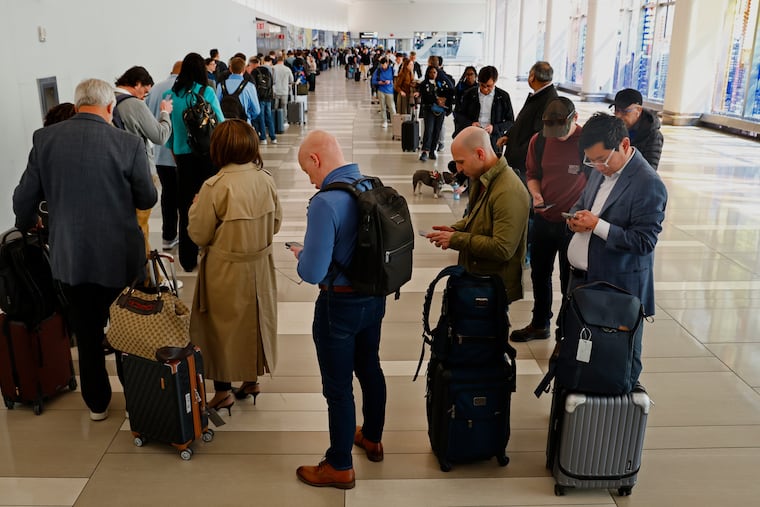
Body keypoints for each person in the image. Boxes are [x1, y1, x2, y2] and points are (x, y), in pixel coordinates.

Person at [13, 78, 157, 421]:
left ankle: (97, 404)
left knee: (88, 334)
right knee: (128, 332)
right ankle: (137, 401)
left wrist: (30, 222)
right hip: (120, 259)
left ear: (77, 105)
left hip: (71, 259)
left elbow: (22, 202)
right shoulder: (128, 143)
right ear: (110, 107)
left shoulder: (45, 140)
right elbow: (147, 198)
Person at [290, 130, 387, 490]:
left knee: (338, 387)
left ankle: (339, 465)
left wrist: (302, 257)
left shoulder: (325, 202)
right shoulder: (370, 185)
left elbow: (313, 272)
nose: (312, 180)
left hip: (339, 306)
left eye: (308, 172)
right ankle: (373, 438)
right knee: (370, 368)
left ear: (316, 159)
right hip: (373, 299)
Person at [565, 112, 667, 383]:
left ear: (624, 144)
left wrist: (598, 225)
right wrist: (575, 219)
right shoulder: (601, 171)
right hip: (583, 281)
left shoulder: (648, 184)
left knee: (615, 361)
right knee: (581, 352)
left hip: (615, 289)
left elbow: (644, 242)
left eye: (602, 159)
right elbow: (583, 201)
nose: (597, 166)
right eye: (591, 160)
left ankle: (616, 412)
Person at [188, 120, 281, 415]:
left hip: (225, 270)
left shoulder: (214, 187)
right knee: (255, 321)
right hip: (260, 267)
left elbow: (199, 234)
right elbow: (275, 224)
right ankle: (252, 381)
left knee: (220, 329)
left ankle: (223, 391)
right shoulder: (265, 179)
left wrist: (195, 206)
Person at [509, 97, 588, 343]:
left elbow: (597, 182)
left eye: (561, 131)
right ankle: (540, 323)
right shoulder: (540, 140)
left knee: (568, 280)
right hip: (544, 218)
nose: (557, 136)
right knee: (539, 274)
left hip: (572, 225)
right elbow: (533, 174)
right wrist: (536, 194)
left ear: (574, 118)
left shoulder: (587, 142)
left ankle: (564, 335)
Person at [426, 126, 530, 303]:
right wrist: (454, 230)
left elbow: (503, 248)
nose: (458, 169)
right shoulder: (482, 178)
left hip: (493, 288)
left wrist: (456, 239)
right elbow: (477, 216)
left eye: (461, 162)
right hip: (478, 278)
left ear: (480, 154)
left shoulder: (508, 192)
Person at [167, 52, 225, 272]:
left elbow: (170, 133)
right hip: (207, 156)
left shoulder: (171, 95)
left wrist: (176, 152)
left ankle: (188, 259)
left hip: (182, 156)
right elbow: (220, 122)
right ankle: (212, 251)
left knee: (186, 206)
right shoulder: (207, 91)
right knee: (212, 203)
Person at [113, 66, 173, 266]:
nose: (145, 97)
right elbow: (160, 136)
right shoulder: (133, 105)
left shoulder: (108, 101)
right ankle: (144, 277)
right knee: (141, 228)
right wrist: (165, 114)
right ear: (136, 84)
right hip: (137, 173)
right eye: (145, 91)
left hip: (114, 175)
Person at [145, 60, 182, 251]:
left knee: (168, 195)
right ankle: (190, 236)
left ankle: (168, 237)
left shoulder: (155, 89)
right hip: (183, 154)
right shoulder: (186, 89)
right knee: (186, 196)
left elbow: (149, 118)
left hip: (161, 154)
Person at [500, 61, 558, 177]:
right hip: (518, 153)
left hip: (523, 163)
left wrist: (517, 153)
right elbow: (523, 121)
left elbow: (538, 135)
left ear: (532, 77)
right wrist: (509, 136)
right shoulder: (540, 95)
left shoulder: (549, 100)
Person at [454, 66, 514, 153]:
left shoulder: (503, 97)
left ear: (495, 81)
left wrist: (494, 128)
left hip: (493, 141)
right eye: (482, 85)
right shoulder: (469, 94)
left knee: (493, 166)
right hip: (472, 138)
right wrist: (471, 124)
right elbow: (458, 115)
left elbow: (510, 122)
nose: (485, 89)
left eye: (489, 86)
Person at [611, 88, 664, 170]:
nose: (618, 116)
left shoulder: (653, 135)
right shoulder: (612, 128)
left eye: (625, 111)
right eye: (616, 110)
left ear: (638, 110)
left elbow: (649, 170)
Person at [418, 66, 452, 162]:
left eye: (435, 72)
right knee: (429, 130)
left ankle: (433, 150)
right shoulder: (424, 84)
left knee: (437, 130)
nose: (433, 74)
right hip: (429, 109)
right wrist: (436, 100)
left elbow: (449, 92)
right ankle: (425, 150)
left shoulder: (441, 84)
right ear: (428, 73)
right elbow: (425, 97)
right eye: (431, 72)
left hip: (440, 110)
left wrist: (444, 101)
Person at [217, 57, 261, 123]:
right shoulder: (249, 86)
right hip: (243, 123)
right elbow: (256, 110)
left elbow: (217, 106)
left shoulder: (221, 85)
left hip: (225, 123)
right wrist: (248, 116)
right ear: (244, 69)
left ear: (230, 69)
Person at [452, 66, 478, 134]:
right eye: (467, 74)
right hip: (461, 117)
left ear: (475, 75)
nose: (469, 76)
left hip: (474, 119)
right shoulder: (460, 86)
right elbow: (456, 101)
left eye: (471, 74)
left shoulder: (478, 87)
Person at [371, 57, 396, 128]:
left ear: (387, 63)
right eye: (382, 65)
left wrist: (390, 81)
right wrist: (379, 82)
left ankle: (394, 121)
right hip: (381, 90)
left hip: (389, 91)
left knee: (392, 107)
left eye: (384, 65)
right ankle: (384, 121)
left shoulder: (392, 69)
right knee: (382, 107)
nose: (383, 66)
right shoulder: (378, 70)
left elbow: (395, 79)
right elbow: (373, 80)